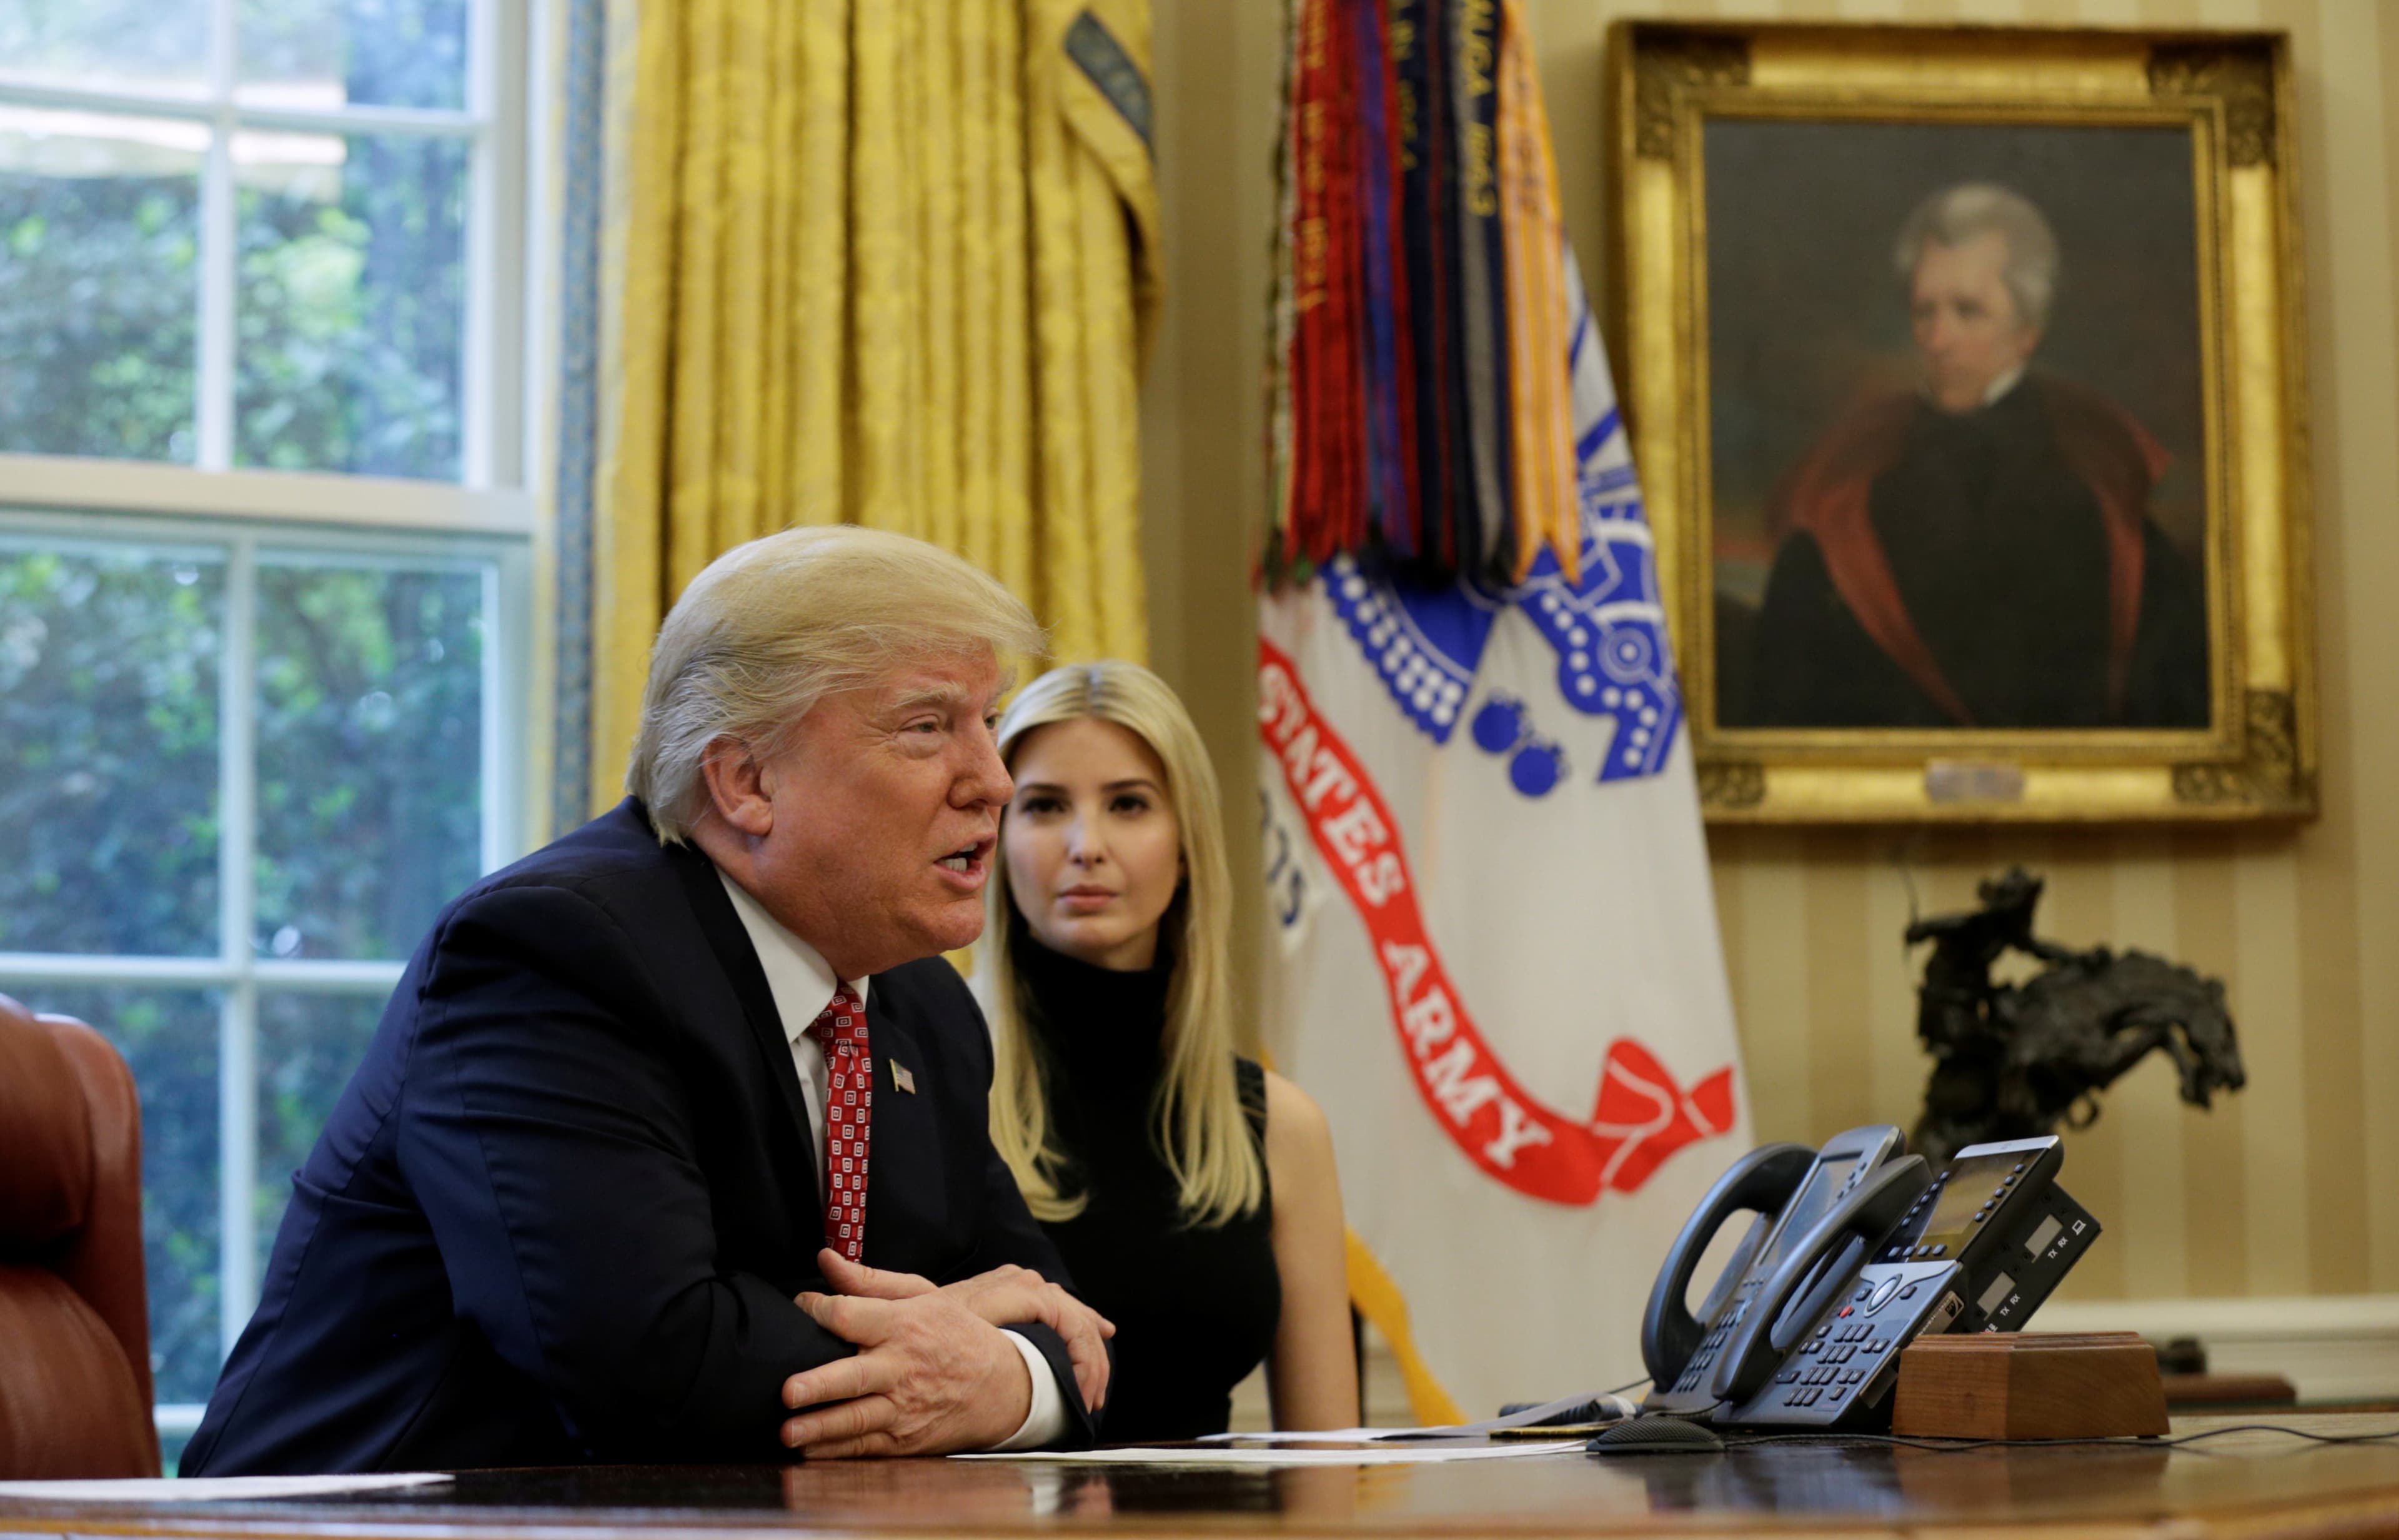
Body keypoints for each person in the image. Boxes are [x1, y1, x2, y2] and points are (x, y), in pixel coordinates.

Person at [182, 526, 1115, 1473]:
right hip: (365, 1524)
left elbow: (1060, 1328)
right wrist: (955, 1343)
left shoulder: (923, 1007)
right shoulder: (554, 951)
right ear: (747, 780)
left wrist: (1005, 1378)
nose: (994, 781)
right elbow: (651, 1365)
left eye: (987, 720)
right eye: (927, 727)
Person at [976, 662, 1359, 1441]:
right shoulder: (929, 1093)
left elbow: (1326, 1465)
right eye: (1044, 805)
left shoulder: (1279, 1125)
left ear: (1186, 844)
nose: (1086, 845)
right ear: (995, 839)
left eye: (1128, 804)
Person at [1744, 182, 2209, 730]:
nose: (1937, 339)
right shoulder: (1845, 494)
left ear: (2028, 332)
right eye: (1925, 312)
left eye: (1968, 312)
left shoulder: (2103, 494)